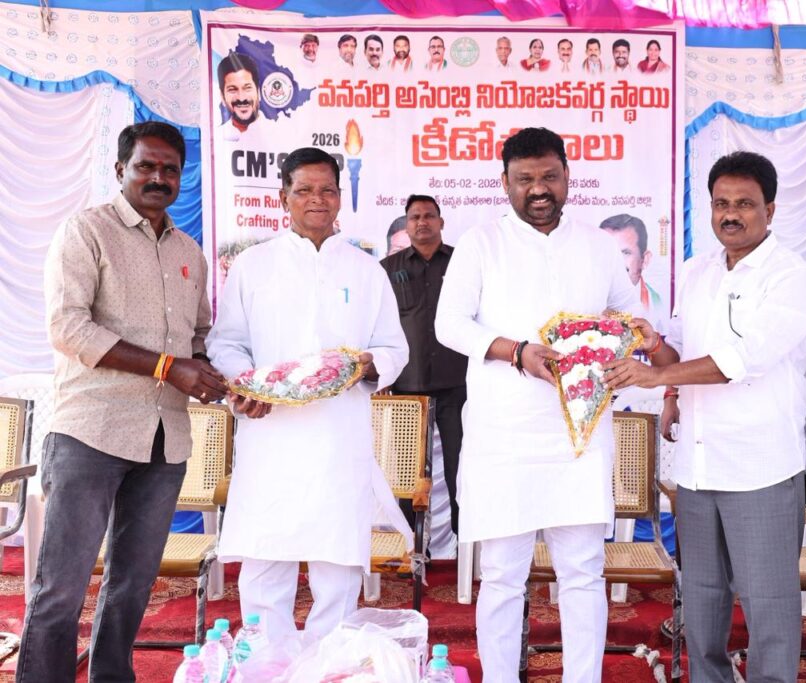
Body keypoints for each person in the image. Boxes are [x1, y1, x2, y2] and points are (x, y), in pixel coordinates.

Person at [17, 121, 226, 682]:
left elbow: (197, 336)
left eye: (169, 170)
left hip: (165, 440)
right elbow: (69, 329)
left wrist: (223, 377)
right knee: (61, 586)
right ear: (120, 170)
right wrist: (167, 367)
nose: (158, 178)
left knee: (133, 583)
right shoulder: (86, 232)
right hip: (91, 432)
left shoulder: (188, 252)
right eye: (145, 166)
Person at [603, 151, 806, 683]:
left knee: (768, 604)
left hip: (760, 467)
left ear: (770, 209)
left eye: (744, 204)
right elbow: (678, 350)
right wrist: (654, 347)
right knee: (701, 601)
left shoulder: (790, 277)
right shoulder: (697, 270)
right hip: (698, 468)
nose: (731, 214)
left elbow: (742, 360)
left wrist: (655, 377)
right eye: (721, 203)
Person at [435, 128, 640, 683]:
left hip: (579, 437)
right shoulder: (481, 243)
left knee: (583, 572)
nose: (539, 189)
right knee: (503, 575)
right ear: (505, 183)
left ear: (568, 176)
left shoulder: (597, 245)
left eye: (549, 176)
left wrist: (625, 337)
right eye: (525, 179)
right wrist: (516, 351)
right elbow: (448, 325)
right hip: (504, 436)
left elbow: (626, 317)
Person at [207, 147, 410, 642]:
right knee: (265, 560)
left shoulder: (366, 269)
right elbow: (225, 342)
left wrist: (366, 365)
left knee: (337, 564)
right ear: (283, 198)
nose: (317, 199)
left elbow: (394, 347)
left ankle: (327, 662)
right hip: (269, 433)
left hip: (339, 436)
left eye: (327, 190)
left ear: (340, 197)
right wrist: (246, 384)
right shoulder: (253, 264)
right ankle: (267, 661)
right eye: (304, 190)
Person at [380, 195, 468, 536]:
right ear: (407, 224)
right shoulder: (388, 269)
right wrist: (383, 374)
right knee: (408, 476)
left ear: (441, 222)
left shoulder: (462, 263)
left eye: (429, 216)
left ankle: (465, 550)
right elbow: (379, 323)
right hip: (407, 386)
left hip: (457, 385)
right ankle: (412, 548)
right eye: (415, 216)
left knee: (462, 471)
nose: (422, 222)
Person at [599, 213, 667, 333]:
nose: (615, 261)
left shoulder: (657, 304)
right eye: (607, 252)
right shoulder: (583, 298)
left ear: (645, 259)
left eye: (625, 253)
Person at [218, 51, 261, 140]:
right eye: (232, 89)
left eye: (247, 88)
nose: (241, 98)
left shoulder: (279, 133)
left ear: (258, 92)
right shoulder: (216, 137)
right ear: (222, 96)